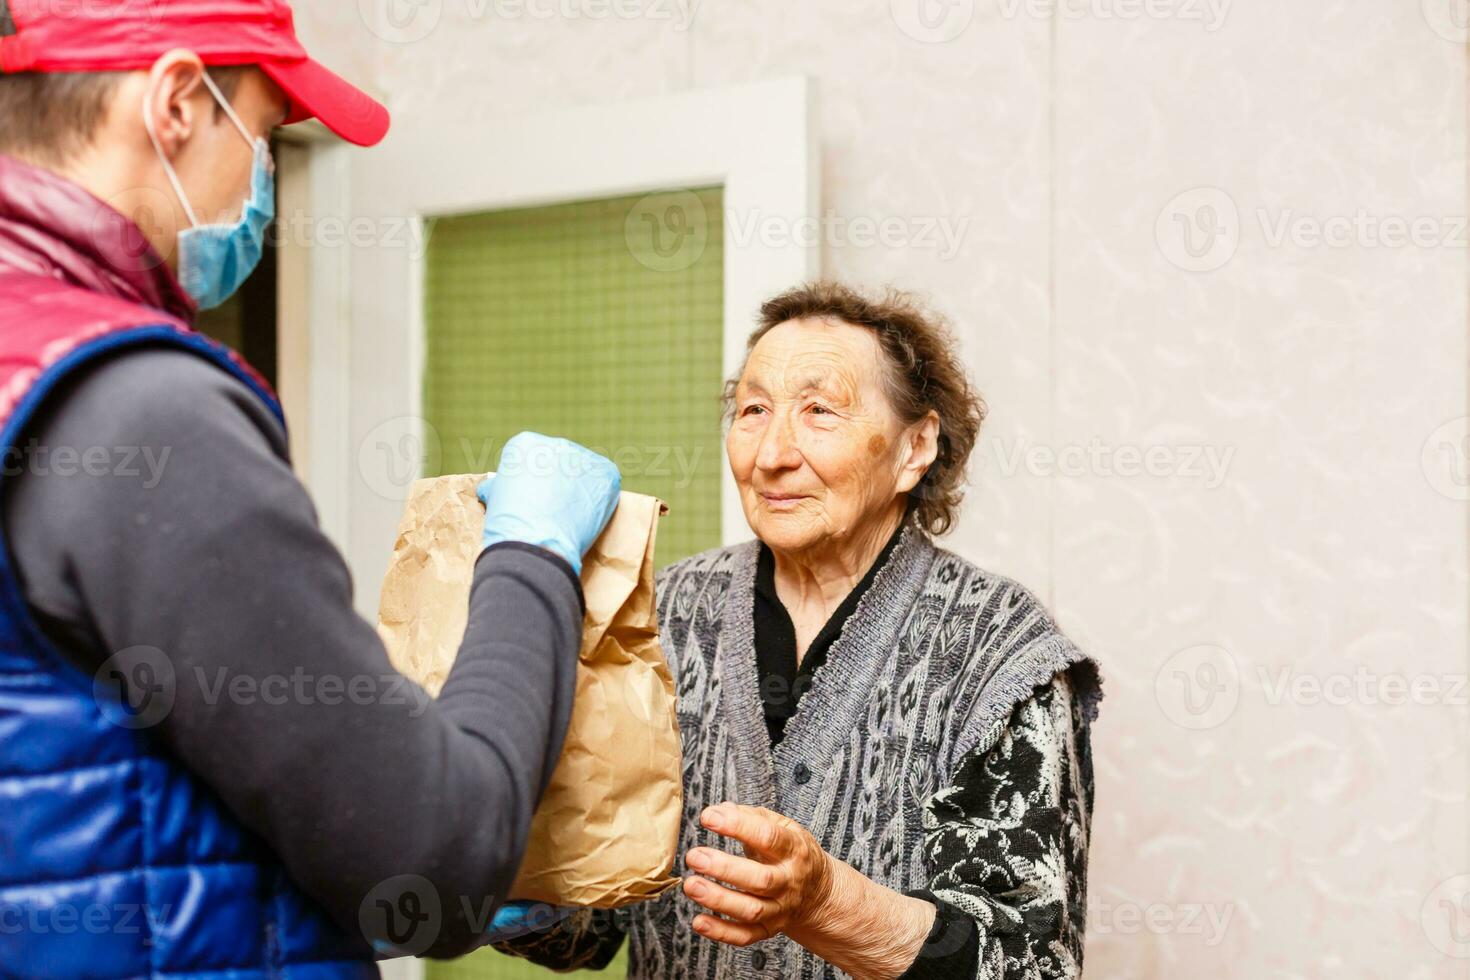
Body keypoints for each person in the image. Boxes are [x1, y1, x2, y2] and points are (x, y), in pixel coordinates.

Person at [0, 1, 619, 975]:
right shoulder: (141, 409)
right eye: (265, 133)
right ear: (174, 104)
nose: (264, 180)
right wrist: (534, 555)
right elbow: (436, 867)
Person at [497, 281, 1104, 979]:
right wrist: (509, 879)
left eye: (819, 411)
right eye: (753, 410)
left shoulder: (1001, 651)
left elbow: (1031, 964)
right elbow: (596, 921)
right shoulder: (662, 614)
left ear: (915, 447)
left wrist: (823, 901)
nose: (771, 454)